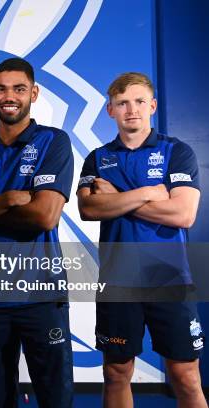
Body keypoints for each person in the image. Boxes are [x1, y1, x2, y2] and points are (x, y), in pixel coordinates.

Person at [77, 72, 206, 408]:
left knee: (186, 375)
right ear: (110, 110)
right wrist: (150, 194)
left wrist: (119, 197)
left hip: (170, 280)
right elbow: (89, 208)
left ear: (152, 105)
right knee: (117, 372)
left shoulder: (176, 152)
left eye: (137, 101)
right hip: (117, 283)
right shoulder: (98, 158)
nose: (130, 109)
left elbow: (182, 214)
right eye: (122, 103)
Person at [0, 57, 74, 407]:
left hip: (40, 293)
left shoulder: (54, 142)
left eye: (19, 89)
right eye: (2, 88)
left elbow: (44, 216)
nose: (10, 96)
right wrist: (8, 199)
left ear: (33, 94)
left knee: (55, 397)